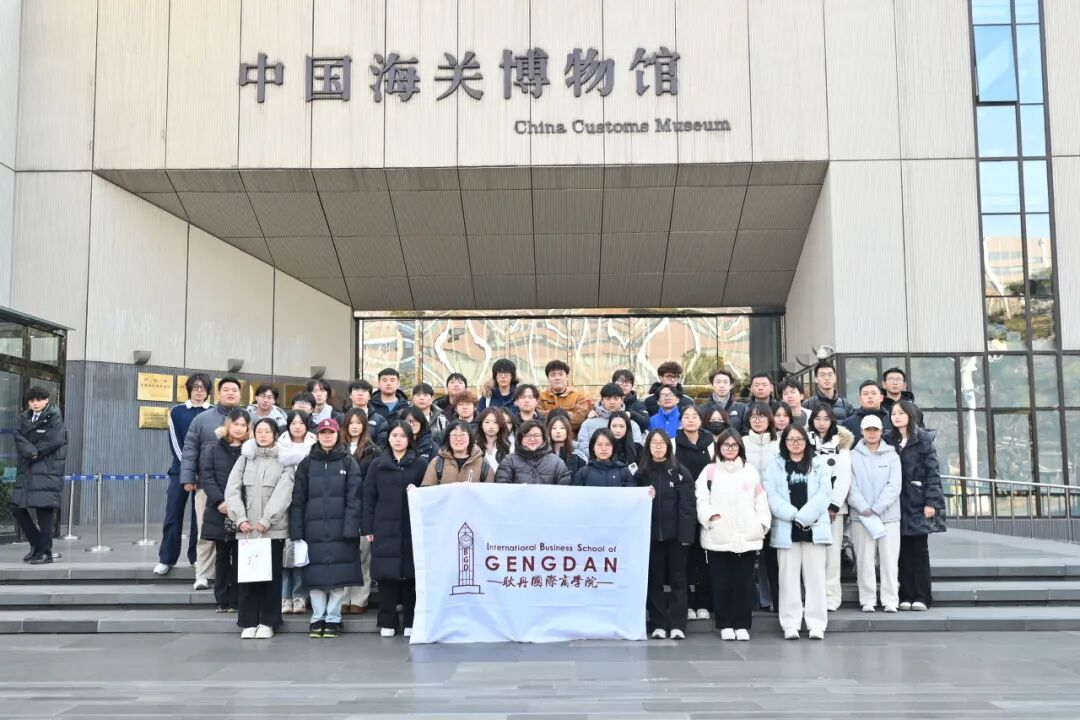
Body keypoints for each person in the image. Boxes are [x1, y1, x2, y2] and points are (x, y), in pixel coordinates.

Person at [291, 418, 363, 639]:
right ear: (318, 435)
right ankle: (317, 617)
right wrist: (297, 532)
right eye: (323, 432)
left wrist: (351, 527)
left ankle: (333, 618)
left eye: (331, 432)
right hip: (313, 531)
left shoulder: (348, 462)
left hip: (341, 530)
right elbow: (298, 501)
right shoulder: (307, 464)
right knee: (315, 578)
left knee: (338, 578)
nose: (327, 436)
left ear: (337, 434)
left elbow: (355, 499)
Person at [696, 430, 771, 641]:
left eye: (734, 445)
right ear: (719, 447)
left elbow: (761, 500)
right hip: (718, 535)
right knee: (721, 583)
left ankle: (742, 624)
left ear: (740, 447)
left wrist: (761, 524)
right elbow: (701, 500)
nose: (730, 448)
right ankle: (725, 623)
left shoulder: (750, 471)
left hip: (747, 535)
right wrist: (711, 519)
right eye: (726, 445)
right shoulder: (709, 471)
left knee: (744, 583)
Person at [226, 418, 296, 639]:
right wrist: (240, 518)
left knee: (270, 578)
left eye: (267, 431)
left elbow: (284, 492)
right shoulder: (245, 458)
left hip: (272, 530)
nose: (263, 435)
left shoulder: (284, 460)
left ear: (275, 434)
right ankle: (248, 622)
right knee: (247, 577)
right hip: (247, 529)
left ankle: (268, 622)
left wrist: (267, 519)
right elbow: (232, 490)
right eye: (259, 431)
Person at [762, 425, 832, 640]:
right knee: (788, 580)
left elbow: (825, 493)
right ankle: (790, 623)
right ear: (784, 442)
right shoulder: (775, 466)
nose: (795, 443)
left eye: (799, 439)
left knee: (816, 579)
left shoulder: (818, 463)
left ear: (806, 441)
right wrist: (793, 515)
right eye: (791, 439)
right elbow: (771, 495)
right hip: (787, 529)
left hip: (814, 529)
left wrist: (805, 516)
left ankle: (816, 624)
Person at [363, 421, 426, 637]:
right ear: (388, 438)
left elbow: (428, 492)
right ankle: (387, 621)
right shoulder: (377, 464)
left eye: (402, 436)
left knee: (411, 576)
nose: (398, 440)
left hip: (411, 527)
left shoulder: (419, 464)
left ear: (410, 439)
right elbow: (369, 497)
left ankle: (411, 621)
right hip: (384, 527)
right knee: (386, 576)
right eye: (394, 435)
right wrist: (368, 527)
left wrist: (418, 491)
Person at [181, 377, 245, 590]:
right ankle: (203, 574)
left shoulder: (248, 418)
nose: (230, 393)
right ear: (218, 393)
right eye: (226, 389)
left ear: (240, 394)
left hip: (241, 489)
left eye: (234, 390)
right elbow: (190, 448)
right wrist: (188, 477)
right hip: (207, 485)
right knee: (206, 531)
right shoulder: (202, 419)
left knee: (241, 532)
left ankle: (237, 576)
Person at [636, 429, 695, 640]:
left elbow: (687, 507)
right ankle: (658, 624)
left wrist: (686, 536)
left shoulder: (680, 472)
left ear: (669, 447)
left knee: (678, 580)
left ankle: (678, 625)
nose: (658, 446)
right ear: (648, 446)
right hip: (651, 537)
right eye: (654, 443)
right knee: (655, 581)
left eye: (662, 442)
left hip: (676, 537)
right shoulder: (641, 473)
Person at [888, 401, 946, 611]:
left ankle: (922, 596)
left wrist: (931, 502)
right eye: (893, 413)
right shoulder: (888, 439)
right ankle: (905, 594)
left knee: (919, 550)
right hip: (895, 503)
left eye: (901, 413)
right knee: (901, 550)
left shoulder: (923, 439)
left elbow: (933, 473)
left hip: (918, 501)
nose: (896, 416)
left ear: (910, 415)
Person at [155, 373, 212, 576]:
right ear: (189, 389)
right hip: (179, 471)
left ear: (208, 391)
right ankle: (166, 559)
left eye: (203, 387)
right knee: (173, 514)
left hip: (205, 473)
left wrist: (201, 469)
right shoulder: (177, 412)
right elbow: (175, 443)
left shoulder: (213, 412)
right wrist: (189, 469)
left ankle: (196, 558)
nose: (199, 391)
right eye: (195, 387)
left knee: (200, 518)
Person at [848, 414, 902, 613]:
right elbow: (849, 486)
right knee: (864, 561)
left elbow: (894, 486)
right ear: (862, 431)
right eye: (868, 430)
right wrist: (863, 508)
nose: (872, 433)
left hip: (888, 517)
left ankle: (890, 600)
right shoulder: (851, 456)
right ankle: (867, 599)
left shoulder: (892, 455)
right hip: (861, 517)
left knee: (889, 561)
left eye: (875, 430)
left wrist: (877, 508)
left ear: (881, 431)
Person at [199, 408, 251, 613]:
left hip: (243, 512)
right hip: (219, 510)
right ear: (228, 425)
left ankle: (237, 600)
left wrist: (239, 506)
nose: (239, 428)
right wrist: (220, 501)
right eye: (236, 424)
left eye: (243, 425)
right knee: (222, 555)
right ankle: (221, 599)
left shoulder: (250, 450)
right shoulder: (213, 448)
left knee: (240, 555)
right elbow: (207, 477)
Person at [12, 386, 67, 565]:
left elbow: (55, 440)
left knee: (44, 511)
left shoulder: (54, 417)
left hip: (46, 470)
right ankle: (37, 545)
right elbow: (18, 436)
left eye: (38, 400)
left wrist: (35, 453)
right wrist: (31, 452)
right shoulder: (24, 418)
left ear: (46, 400)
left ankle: (46, 553)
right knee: (17, 507)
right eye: (31, 400)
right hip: (27, 469)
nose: (35, 403)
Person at [808, 405, 853, 612]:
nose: (821, 423)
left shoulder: (841, 444)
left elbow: (844, 477)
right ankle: (814, 597)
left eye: (826, 419)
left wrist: (834, 505)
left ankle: (832, 597)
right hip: (809, 508)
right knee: (813, 555)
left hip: (834, 509)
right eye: (818, 418)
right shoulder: (805, 441)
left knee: (832, 555)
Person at [673, 405, 715, 621]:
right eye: (686, 417)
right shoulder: (673, 443)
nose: (690, 420)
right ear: (680, 421)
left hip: (706, 505)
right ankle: (687, 604)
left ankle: (703, 603)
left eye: (694, 416)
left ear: (701, 420)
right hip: (682, 507)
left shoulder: (711, 444)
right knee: (684, 557)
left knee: (704, 556)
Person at [341, 409, 379, 615]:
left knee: (364, 554)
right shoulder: (338, 448)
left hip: (363, 508)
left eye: (358, 422)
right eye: (351, 422)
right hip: (342, 508)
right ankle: (343, 597)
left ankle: (359, 599)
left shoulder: (373, 451)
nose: (354, 426)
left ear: (364, 425)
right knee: (345, 553)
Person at [743, 402, 781, 610]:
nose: (757, 421)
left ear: (770, 420)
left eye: (762, 416)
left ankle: (774, 600)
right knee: (748, 557)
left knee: (772, 559)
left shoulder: (779, 443)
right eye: (754, 417)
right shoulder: (741, 442)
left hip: (774, 507)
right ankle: (750, 602)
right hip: (747, 508)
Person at [278, 410, 315, 615]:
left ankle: (300, 595)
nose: (298, 426)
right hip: (283, 504)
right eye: (294, 422)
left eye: (301, 422)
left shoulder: (316, 445)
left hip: (308, 503)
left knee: (301, 550)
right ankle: (285, 596)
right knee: (286, 551)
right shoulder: (278, 446)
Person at [575, 382, 643, 460]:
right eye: (608, 398)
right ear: (602, 400)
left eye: (616, 398)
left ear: (622, 400)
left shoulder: (631, 424)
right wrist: (601, 458)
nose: (612, 402)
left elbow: (637, 448)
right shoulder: (589, 423)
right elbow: (582, 446)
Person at [495, 421, 572, 484]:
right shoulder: (509, 461)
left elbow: (564, 490)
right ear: (520, 439)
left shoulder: (556, 462)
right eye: (527, 435)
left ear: (543, 438)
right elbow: (502, 488)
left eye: (536, 435)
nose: (532, 439)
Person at [422, 420, 492, 485]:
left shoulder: (483, 464)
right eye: (454, 435)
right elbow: (427, 490)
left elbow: (490, 491)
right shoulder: (437, 463)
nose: (458, 439)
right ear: (448, 438)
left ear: (470, 437)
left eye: (462, 435)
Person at [538, 360, 589, 432]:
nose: (557, 378)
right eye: (553, 375)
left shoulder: (579, 396)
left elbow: (578, 419)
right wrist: (568, 414)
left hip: (572, 437)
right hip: (547, 436)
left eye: (561, 374)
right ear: (548, 378)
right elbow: (539, 418)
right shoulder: (540, 397)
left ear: (567, 377)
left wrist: (549, 414)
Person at [347, 379, 389, 449]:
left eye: (364, 391)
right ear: (350, 395)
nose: (360, 394)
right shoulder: (341, 417)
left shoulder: (379, 420)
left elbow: (381, 445)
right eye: (356, 390)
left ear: (369, 397)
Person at [698, 367, 742, 433]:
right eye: (718, 382)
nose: (722, 385)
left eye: (725, 382)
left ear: (731, 386)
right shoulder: (701, 409)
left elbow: (745, 431)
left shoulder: (742, 408)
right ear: (712, 385)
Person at [612, 368, 650, 433]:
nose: (624, 385)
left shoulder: (639, 404)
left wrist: (631, 414)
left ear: (632, 385)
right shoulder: (609, 401)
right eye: (621, 381)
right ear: (614, 383)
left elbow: (645, 423)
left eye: (628, 382)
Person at [477, 407, 513, 473]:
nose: (491, 426)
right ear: (481, 425)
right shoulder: (475, 446)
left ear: (501, 424)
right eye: (487, 422)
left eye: (495, 422)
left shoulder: (510, 447)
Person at [411, 383, 448, 448]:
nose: (422, 398)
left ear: (432, 398)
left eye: (425, 395)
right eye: (418, 395)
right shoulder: (405, 418)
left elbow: (447, 442)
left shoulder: (441, 420)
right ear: (413, 399)